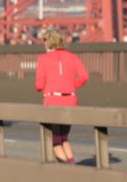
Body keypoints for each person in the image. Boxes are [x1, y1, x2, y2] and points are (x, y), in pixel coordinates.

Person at [35, 28, 89, 164]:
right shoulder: (73, 57)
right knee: (64, 138)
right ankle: (72, 163)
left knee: (55, 141)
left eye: (45, 41)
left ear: (49, 42)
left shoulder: (43, 58)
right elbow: (84, 76)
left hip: (52, 101)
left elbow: (39, 85)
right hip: (70, 100)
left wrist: (47, 87)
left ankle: (69, 169)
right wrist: (71, 85)